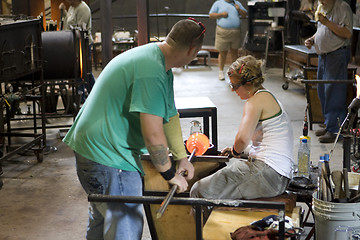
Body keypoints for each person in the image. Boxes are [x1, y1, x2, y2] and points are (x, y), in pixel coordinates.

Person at [63, 18, 205, 239]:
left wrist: (181, 157)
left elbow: (170, 116)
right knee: (124, 226)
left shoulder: (157, 62)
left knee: (103, 222)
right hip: (108, 155)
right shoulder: (152, 71)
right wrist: (169, 174)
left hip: (93, 149)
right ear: (192, 50)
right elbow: (153, 134)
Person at [190, 55, 294, 221]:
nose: (232, 90)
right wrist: (237, 152)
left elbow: (241, 140)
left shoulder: (254, 102)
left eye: (234, 86)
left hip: (267, 174)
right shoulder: (268, 97)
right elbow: (265, 142)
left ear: (248, 83)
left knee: (198, 191)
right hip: (278, 175)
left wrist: (237, 150)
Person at [305, 0, 353, 143]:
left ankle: (335, 130)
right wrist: (313, 39)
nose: (320, 1)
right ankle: (329, 124)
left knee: (334, 92)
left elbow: (347, 33)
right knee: (323, 92)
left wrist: (327, 22)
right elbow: (322, 30)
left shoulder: (341, 7)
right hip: (324, 56)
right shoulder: (324, 7)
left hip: (336, 54)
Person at [59, 0, 95, 103]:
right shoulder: (72, 7)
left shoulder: (83, 9)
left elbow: (80, 29)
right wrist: (64, 11)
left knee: (85, 71)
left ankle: (94, 95)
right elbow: (68, 22)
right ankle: (81, 97)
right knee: (78, 71)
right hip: (73, 43)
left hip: (83, 44)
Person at [209, 0, 247, 80]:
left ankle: (234, 72)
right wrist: (221, 14)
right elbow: (211, 15)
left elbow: (245, 14)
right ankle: (221, 72)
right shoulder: (218, 3)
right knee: (222, 52)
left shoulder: (236, 3)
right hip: (222, 32)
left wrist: (239, 9)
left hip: (236, 32)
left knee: (234, 52)